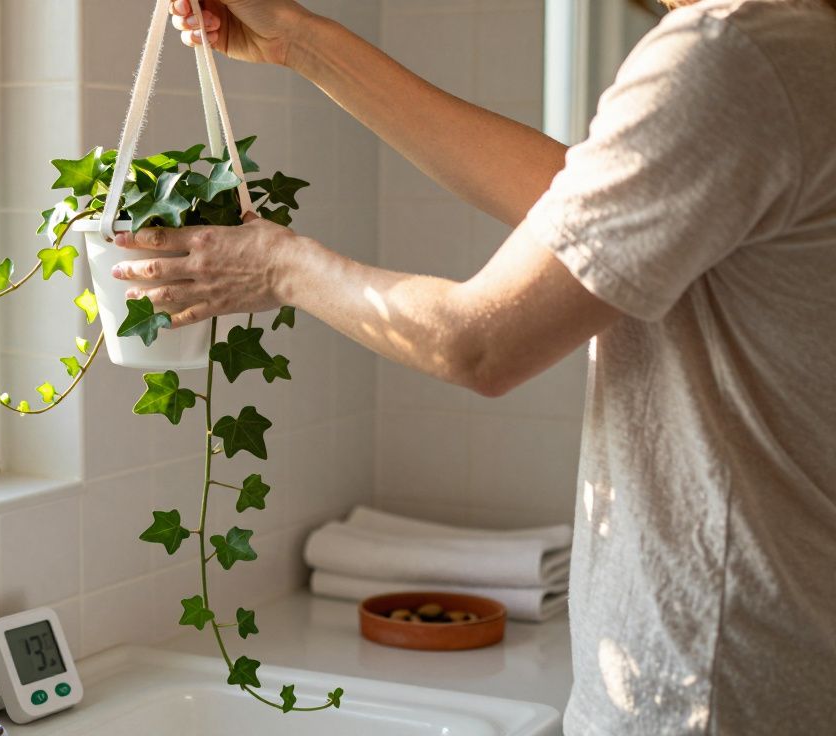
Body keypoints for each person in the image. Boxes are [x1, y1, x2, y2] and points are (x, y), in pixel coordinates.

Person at [110, 0, 836, 732]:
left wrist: (279, 268)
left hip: (714, 688)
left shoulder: (730, 55)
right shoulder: (799, 50)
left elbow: (481, 344)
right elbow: (570, 198)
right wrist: (303, 44)